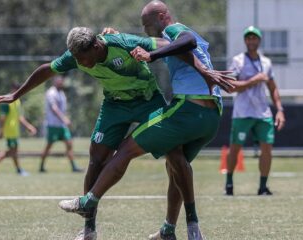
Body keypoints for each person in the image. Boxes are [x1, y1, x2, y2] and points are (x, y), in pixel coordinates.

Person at [0, 25, 231, 240]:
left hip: (148, 100)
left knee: (176, 157)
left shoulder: (123, 43)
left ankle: (191, 225)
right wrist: (16, 95)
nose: (81, 64)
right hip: (114, 105)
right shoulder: (76, 56)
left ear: (96, 45)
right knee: (96, 159)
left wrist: (201, 69)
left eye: (84, 58)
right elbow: (47, 69)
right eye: (78, 60)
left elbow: (172, 45)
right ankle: (89, 230)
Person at [58, 1, 236, 239]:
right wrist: (204, 72)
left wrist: (151, 55)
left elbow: (186, 42)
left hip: (188, 109)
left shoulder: (173, 29)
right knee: (176, 164)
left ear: (163, 17)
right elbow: (188, 50)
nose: (145, 30)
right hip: (212, 115)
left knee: (125, 149)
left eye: (147, 24)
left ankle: (89, 201)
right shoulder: (184, 37)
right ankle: (177, 229)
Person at [224, 26, 285, 196]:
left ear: (259, 40)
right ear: (245, 41)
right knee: (235, 148)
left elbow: (273, 88)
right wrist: (253, 80)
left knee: (267, 148)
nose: (251, 41)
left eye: (254, 38)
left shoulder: (266, 62)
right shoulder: (238, 61)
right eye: (248, 38)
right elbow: (230, 87)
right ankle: (229, 183)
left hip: (263, 112)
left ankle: (263, 187)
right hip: (243, 112)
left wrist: (279, 109)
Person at [0, 83, 37, 176]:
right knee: (13, 151)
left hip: (14, 130)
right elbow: (3, 117)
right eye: (17, 89)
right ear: (13, 89)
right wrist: (1, 130)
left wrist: (29, 127)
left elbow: (19, 117)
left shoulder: (17, 100)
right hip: (9, 130)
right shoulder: (7, 100)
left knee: (13, 151)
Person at [39, 75, 82, 173]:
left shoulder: (61, 93)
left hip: (62, 126)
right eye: (59, 82)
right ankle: (41, 166)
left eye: (61, 82)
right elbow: (54, 109)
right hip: (53, 125)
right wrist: (64, 119)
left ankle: (74, 167)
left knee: (69, 144)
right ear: (54, 82)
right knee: (48, 147)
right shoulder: (51, 93)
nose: (61, 83)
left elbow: (62, 109)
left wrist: (65, 119)